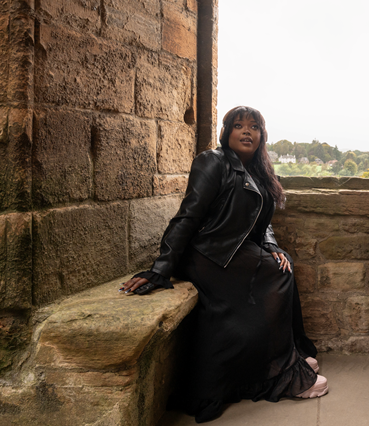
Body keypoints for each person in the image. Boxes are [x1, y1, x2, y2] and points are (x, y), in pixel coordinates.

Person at [121, 106, 328, 423]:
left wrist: (271, 246)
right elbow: (188, 216)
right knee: (276, 278)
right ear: (225, 132)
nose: (247, 131)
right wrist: (161, 268)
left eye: (254, 126)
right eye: (238, 125)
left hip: (235, 252)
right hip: (207, 253)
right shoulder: (212, 161)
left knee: (282, 267)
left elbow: (263, 222)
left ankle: (283, 362)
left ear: (262, 135)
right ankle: (283, 373)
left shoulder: (258, 171)